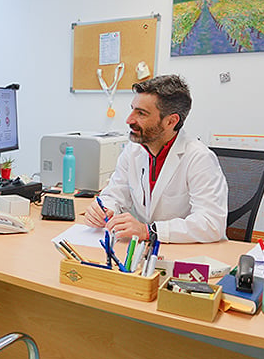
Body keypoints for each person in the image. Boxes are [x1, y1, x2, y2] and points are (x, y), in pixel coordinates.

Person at [85, 74, 228, 243]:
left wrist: (149, 231)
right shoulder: (133, 150)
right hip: (144, 251)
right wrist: (104, 209)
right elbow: (115, 195)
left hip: (188, 253)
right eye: (132, 109)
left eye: (141, 114)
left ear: (171, 121)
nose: (129, 120)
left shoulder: (199, 158)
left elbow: (211, 224)